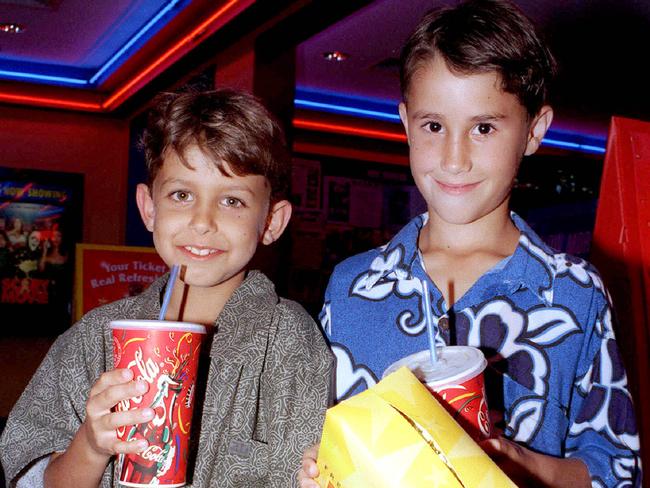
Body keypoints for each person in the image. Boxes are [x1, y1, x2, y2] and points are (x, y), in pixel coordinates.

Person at [299, 1, 641, 487]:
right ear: (405, 123)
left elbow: (617, 470)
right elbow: (325, 432)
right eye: (433, 126)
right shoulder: (352, 287)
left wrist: (522, 467)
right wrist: (318, 468)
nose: (454, 158)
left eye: (483, 128)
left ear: (534, 130)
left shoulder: (574, 292)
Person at [0, 89, 333, 488]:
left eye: (232, 201)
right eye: (181, 195)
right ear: (149, 208)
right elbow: (31, 478)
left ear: (272, 222)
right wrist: (90, 446)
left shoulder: (291, 341)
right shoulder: (94, 340)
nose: (202, 221)